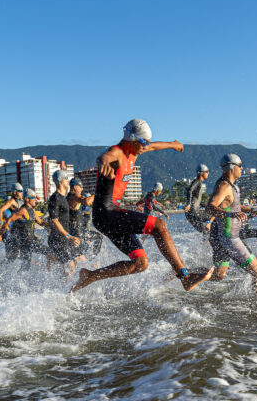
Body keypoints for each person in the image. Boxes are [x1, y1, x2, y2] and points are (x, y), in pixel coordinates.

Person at [70, 119, 213, 292]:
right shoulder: (117, 152)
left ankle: (91, 276)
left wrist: (172, 144)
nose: (145, 146)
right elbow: (104, 157)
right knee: (159, 225)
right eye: (143, 142)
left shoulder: (134, 152)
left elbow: (152, 146)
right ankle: (185, 276)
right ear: (132, 139)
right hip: (105, 212)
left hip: (111, 216)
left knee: (140, 263)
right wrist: (102, 163)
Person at [205, 154, 257, 294]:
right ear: (232, 167)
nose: (242, 168)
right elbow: (209, 207)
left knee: (218, 275)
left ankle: (184, 273)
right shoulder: (224, 186)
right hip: (230, 238)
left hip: (225, 237)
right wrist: (230, 215)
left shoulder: (232, 186)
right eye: (240, 166)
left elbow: (234, 207)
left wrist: (252, 210)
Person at [0, 189, 52, 269]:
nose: (35, 199)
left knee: (26, 266)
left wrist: (53, 225)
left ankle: (21, 280)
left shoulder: (32, 210)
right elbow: (8, 221)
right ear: (27, 199)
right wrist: (0, 234)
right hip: (25, 242)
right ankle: (51, 275)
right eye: (33, 197)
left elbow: (40, 222)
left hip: (31, 240)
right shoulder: (22, 211)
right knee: (49, 253)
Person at [48, 170, 83, 274]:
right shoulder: (55, 198)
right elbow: (54, 220)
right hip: (58, 239)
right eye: (66, 178)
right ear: (60, 181)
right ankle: (67, 290)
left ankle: (58, 287)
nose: (68, 181)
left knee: (71, 266)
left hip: (64, 239)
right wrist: (70, 236)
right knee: (71, 268)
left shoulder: (63, 198)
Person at [67, 178, 103, 256]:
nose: (82, 189)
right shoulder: (73, 197)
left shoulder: (70, 197)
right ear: (75, 187)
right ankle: (94, 260)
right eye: (81, 186)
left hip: (78, 232)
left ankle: (94, 259)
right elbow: (87, 202)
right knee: (79, 259)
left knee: (98, 237)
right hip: (76, 235)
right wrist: (98, 192)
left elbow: (86, 201)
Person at [184, 164, 214, 234]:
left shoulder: (197, 182)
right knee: (214, 215)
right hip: (194, 212)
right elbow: (189, 190)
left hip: (189, 214)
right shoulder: (197, 181)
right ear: (201, 173)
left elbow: (196, 200)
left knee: (204, 231)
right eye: (207, 171)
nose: (208, 173)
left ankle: (205, 243)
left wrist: (205, 206)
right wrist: (189, 203)